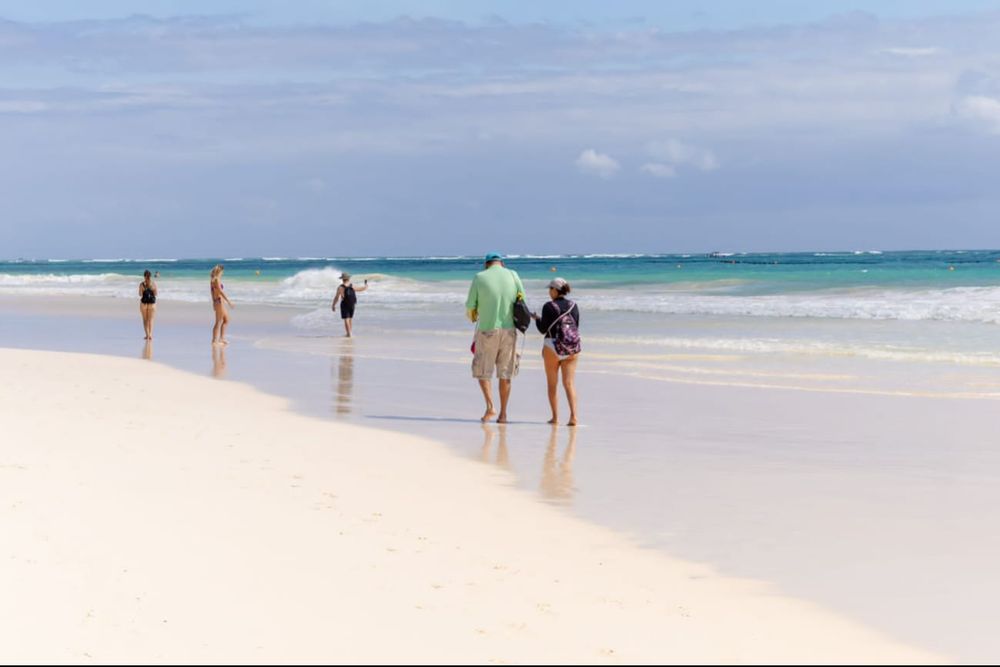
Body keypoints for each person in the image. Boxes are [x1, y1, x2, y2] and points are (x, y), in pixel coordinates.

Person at [466, 252, 525, 423]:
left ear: (487, 264)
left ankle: (491, 407)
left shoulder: (479, 277)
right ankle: (504, 414)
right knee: (505, 373)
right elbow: (522, 300)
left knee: (483, 371)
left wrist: (474, 315)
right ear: (502, 264)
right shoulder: (513, 275)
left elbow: (470, 306)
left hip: (487, 330)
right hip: (509, 331)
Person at [531, 277, 580, 426]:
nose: (549, 292)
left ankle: (555, 418)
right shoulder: (574, 305)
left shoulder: (548, 306)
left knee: (552, 384)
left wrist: (536, 319)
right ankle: (573, 417)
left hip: (552, 346)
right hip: (571, 347)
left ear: (554, 290)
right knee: (569, 383)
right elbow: (575, 326)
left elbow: (543, 329)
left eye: (549, 289)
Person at [331, 273, 368, 337]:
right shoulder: (352, 286)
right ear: (348, 279)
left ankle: (349, 334)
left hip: (344, 304)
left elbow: (336, 297)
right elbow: (360, 289)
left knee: (346, 319)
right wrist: (366, 286)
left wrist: (333, 305)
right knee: (350, 318)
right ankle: (350, 332)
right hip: (352, 304)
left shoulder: (340, 287)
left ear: (342, 279)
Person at [210, 264, 233, 345]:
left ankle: (221, 339)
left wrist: (213, 302)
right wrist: (229, 301)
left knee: (226, 320)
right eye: (222, 272)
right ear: (220, 271)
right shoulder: (217, 280)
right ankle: (215, 340)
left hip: (218, 302)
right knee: (219, 321)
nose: (223, 273)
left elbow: (212, 293)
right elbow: (220, 291)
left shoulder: (213, 280)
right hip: (219, 302)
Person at [138, 270, 158, 340]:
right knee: (151, 320)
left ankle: (147, 335)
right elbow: (156, 294)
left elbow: (140, 294)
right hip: (152, 304)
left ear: (144, 276)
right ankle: (150, 335)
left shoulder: (141, 284)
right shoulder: (153, 284)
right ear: (150, 276)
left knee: (145, 319)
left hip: (144, 304)